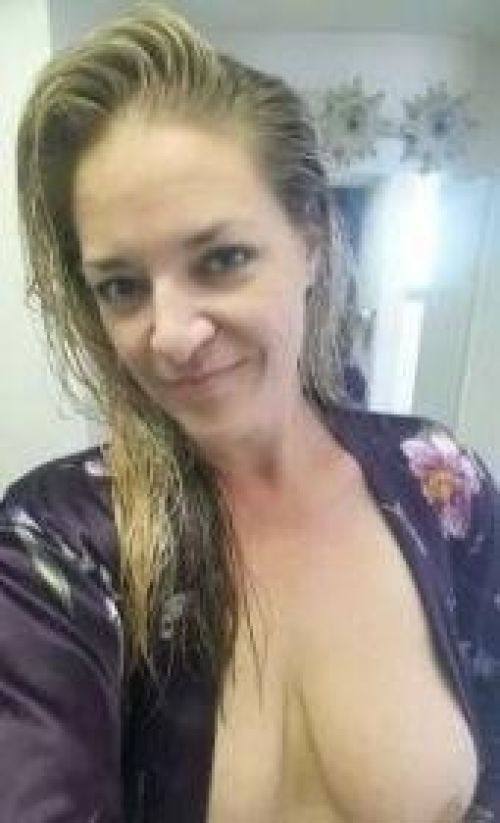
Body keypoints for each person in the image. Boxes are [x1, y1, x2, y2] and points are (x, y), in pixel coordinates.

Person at [1, 5, 499, 822]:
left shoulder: (442, 486)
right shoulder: (60, 544)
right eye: (121, 286)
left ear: (310, 241)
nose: (171, 334)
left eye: (222, 259)